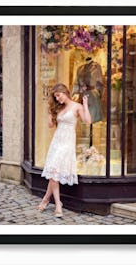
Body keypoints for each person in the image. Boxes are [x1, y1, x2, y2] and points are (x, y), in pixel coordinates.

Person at [37, 83, 91, 217]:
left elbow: (87, 121)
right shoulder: (59, 108)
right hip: (56, 142)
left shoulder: (76, 106)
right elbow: (50, 125)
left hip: (67, 143)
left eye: (58, 95)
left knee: (54, 172)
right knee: (54, 172)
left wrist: (85, 104)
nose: (57, 99)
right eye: (55, 97)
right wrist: (50, 112)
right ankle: (53, 202)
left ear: (65, 92)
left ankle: (54, 204)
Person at [72, 57, 104, 123]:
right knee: (83, 117)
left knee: (92, 116)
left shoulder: (96, 67)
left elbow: (100, 82)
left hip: (93, 95)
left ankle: (91, 130)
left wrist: (99, 93)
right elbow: (76, 83)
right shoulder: (80, 68)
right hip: (82, 95)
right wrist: (75, 93)